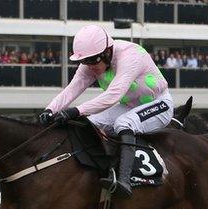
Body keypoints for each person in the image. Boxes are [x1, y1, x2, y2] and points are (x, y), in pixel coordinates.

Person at [39, 25, 173, 198]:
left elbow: (113, 95)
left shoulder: (129, 55)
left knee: (124, 123)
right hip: (129, 106)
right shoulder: (91, 62)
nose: (89, 66)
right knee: (90, 124)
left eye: (93, 60)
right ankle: (100, 170)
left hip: (160, 103)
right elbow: (72, 89)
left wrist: (75, 111)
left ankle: (124, 180)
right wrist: (50, 109)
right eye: (85, 61)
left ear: (108, 51)